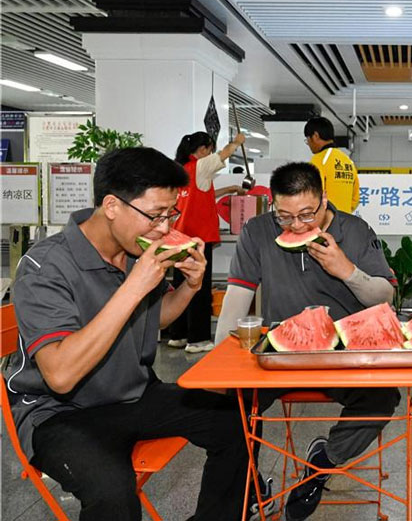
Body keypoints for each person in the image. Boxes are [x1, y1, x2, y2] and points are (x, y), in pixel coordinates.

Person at [4, 147, 248, 521]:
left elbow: (155, 319)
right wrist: (133, 287)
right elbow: (60, 375)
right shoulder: (45, 266)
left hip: (134, 394)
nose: (164, 228)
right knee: (113, 495)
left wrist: (190, 287)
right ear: (112, 206)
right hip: (60, 413)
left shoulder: (135, 251)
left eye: (170, 214)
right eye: (155, 215)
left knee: (238, 421)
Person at [214, 161, 399, 521]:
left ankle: (323, 462)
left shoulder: (355, 230)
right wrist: (220, 364)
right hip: (279, 355)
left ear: (324, 199)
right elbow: (236, 299)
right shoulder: (257, 231)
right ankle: (252, 485)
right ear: (273, 204)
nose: (296, 226)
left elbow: (384, 297)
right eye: (284, 217)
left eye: (306, 215)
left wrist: (346, 270)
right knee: (229, 405)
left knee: (383, 398)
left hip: (344, 353)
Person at [169, 131, 247, 353]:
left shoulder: (181, 170)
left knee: (180, 286)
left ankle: (178, 335)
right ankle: (198, 339)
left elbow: (201, 194)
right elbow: (224, 154)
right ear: (203, 150)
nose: (211, 153)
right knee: (198, 288)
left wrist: (229, 189)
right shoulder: (200, 166)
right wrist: (237, 142)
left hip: (179, 237)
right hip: (198, 239)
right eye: (209, 149)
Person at [304, 117, 359, 213]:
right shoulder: (348, 161)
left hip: (326, 219)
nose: (308, 144)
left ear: (315, 136)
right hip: (345, 218)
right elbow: (355, 199)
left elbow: (313, 194)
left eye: (307, 139)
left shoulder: (319, 160)